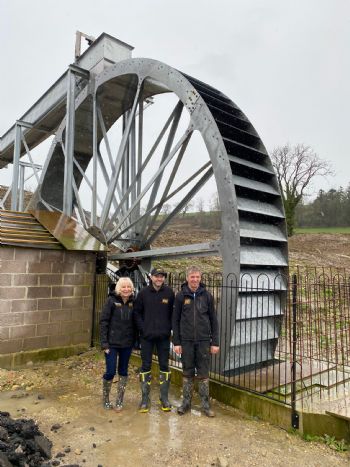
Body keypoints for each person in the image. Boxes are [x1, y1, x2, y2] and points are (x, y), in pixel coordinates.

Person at [173, 265, 219, 417]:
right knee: (187, 372)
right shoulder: (180, 296)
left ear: (200, 278)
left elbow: (214, 320)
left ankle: (205, 405)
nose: (194, 279)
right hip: (186, 341)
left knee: (204, 373)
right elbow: (175, 320)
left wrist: (215, 342)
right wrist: (177, 342)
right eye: (192, 277)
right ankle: (186, 403)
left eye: (197, 277)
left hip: (204, 341)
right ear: (187, 278)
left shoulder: (207, 296)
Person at [134, 267, 175, 413]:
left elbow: (173, 314)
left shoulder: (169, 293)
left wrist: (168, 329)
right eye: (157, 276)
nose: (159, 279)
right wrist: (143, 329)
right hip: (147, 337)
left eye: (162, 276)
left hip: (163, 337)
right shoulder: (143, 293)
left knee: (165, 366)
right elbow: (137, 313)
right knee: (145, 366)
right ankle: (145, 400)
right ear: (151, 277)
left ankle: (164, 399)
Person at [100, 277, 137, 411]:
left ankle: (119, 400)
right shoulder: (111, 301)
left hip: (127, 344)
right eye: (123, 287)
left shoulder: (134, 302)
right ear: (118, 288)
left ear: (132, 289)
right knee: (110, 371)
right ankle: (105, 399)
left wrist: (136, 342)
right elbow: (104, 322)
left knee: (123, 371)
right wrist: (104, 344)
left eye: (128, 287)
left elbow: (136, 323)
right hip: (112, 344)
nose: (126, 289)